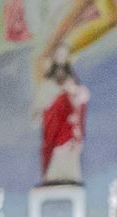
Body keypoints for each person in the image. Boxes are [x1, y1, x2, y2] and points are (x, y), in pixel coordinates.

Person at [38, 46, 87, 184]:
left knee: (68, 149)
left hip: (68, 125)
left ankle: (70, 176)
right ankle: (53, 176)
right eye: (58, 55)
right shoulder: (48, 82)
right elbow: (42, 101)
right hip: (54, 122)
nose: (61, 58)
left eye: (64, 55)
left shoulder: (72, 80)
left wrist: (74, 97)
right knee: (56, 150)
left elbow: (78, 98)